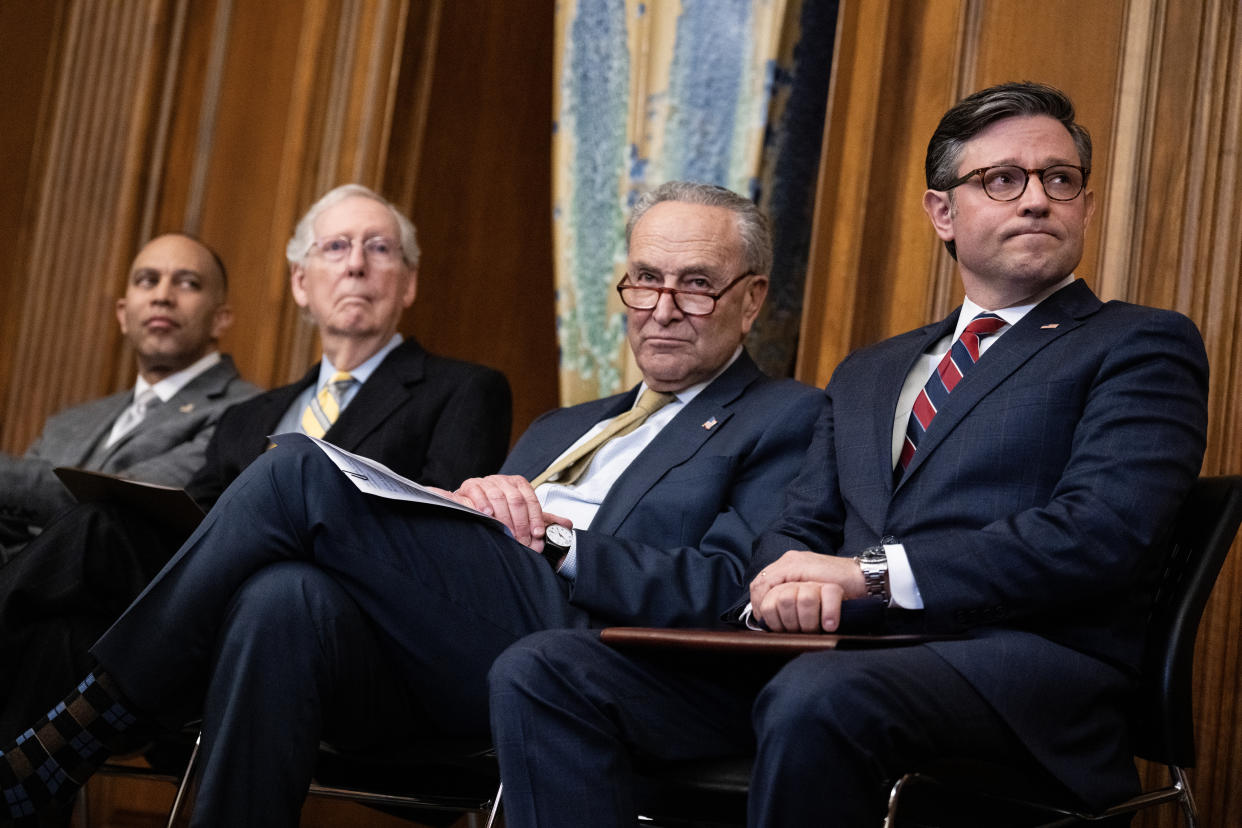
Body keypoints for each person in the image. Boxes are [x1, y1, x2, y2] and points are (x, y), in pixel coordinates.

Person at [484, 82, 1211, 827]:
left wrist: (865, 576)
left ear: (1085, 205)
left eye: (1060, 180)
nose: (1036, 200)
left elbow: (1099, 533)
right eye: (1003, 180)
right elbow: (799, 524)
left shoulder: (1140, 343)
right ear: (943, 213)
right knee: (546, 670)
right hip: (840, 661)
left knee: (817, 700)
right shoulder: (871, 371)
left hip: (1021, 673)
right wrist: (783, 580)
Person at [0, 181, 825, 826]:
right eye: (645, 280)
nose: (662, 307)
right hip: (460, 648)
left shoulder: (787, 415)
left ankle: (88, 722)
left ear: (751, 300)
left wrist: (556, 535)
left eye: (696, 286)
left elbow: (726, 585)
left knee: (295, 471)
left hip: (592, 649)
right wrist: (461, 508)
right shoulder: (564, 424)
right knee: (284, 598)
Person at [0, 183, 512, 742]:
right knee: (73, 602)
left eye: (380, 249)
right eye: (336, 247)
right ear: (300, 282)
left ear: (409, 283)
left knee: (107, 568)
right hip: (203, 621)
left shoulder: (463, 389)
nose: (357, 265)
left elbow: (440, 546)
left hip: (321, 625)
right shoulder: (250, 415)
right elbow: (191, 526)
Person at [0, 234, 258, 564]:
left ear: (221, 318)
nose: (162, 296)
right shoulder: (67, 424)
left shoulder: (243, 413)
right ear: (122, 314)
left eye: (188, 283)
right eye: (147, 281)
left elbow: (121, 504)